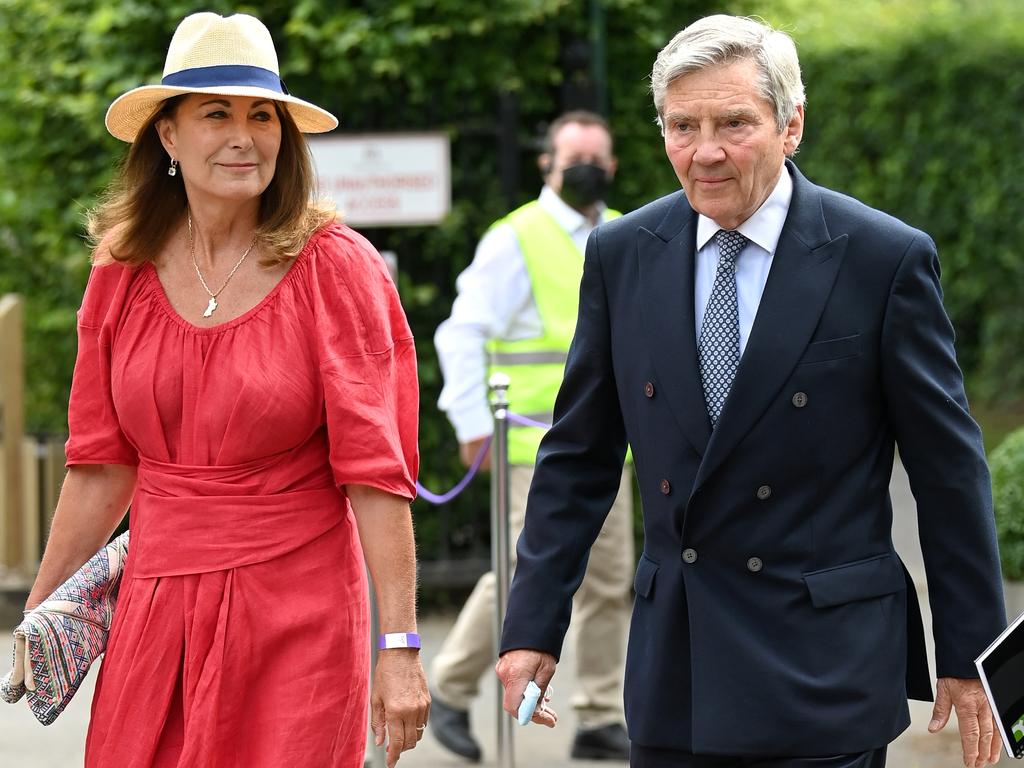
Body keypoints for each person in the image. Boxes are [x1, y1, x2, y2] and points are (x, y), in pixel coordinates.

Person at [496, 14, 1007, 768]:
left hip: (823, 668)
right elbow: (577, 456)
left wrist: (970, 653)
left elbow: (948, 469)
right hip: (680, 670)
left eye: (735, 122)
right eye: (682, 125)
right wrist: (533, 626)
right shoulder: (622, 256)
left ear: (791, 124)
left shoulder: (882, 259)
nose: (705, 151)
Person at [18, 12, 428, 768]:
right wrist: (39, 618)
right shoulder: (121, 266)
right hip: (154, 607)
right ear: (167, 136)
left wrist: (399, 646)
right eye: (216, 113)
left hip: (298, 617)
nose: (244, 136)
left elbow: (377, 475)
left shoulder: (337, 266)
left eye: (262, 115)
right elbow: (100, 465)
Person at [431, 111, 633, 761]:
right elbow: (462, 333)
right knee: (526, 575)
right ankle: (449, 688)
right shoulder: (515, 237)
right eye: (574, 156)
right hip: (532, 445)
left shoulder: (628, 233)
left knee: (608, 580)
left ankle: (599, 714)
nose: (587, 168)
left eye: (598, 158)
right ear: (546, 162)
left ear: (615, 168)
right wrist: (469, 423)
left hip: (611, 447)